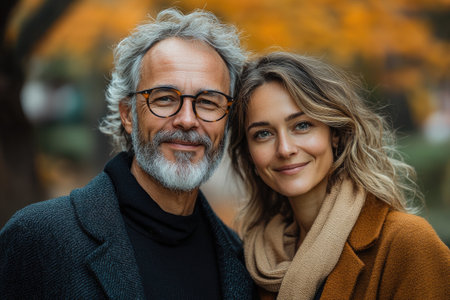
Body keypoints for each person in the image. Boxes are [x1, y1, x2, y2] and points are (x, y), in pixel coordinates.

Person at [0, 8, 255, 299]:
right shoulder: (40, 237)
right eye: (165, 98)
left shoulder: (240, 261)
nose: (187, 119)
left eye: (208, 101)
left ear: (227, 116)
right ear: (128, 114)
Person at [228, 52, 450, 299]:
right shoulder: (251, 258)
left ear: (334, 133)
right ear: (249, 153)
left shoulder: (406, 242)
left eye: (301, 126)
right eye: (263, 134)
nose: (285, 149)